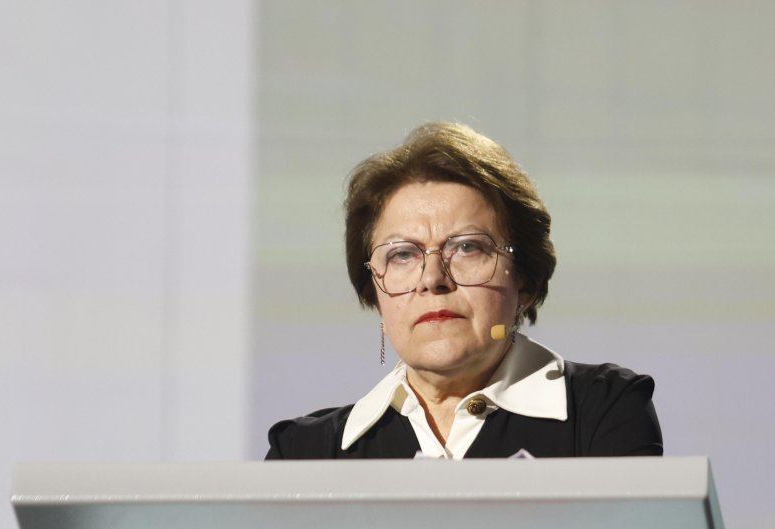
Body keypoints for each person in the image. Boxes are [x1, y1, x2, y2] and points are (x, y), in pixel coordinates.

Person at [265, 122, 662, 460]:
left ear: (524, 279)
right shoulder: (305, 452)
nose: (432, 278)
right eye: (402, 254)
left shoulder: (603, 412)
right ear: (375, 292)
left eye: (468, 247)